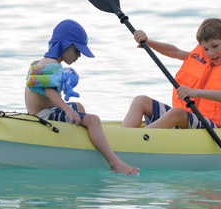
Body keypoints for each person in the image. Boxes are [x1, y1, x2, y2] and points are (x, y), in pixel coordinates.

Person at [25, 19, 139, 175]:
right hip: (44, 115)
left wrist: (68, 103)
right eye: (77, 51)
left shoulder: (41, 62)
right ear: (65, 45)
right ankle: (115, 163)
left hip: (43, 111)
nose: (78, 56)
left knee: (78, 107)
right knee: (93, 120)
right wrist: (66, 109)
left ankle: (84, 141)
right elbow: (48, 89)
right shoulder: (51, 63)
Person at [121, 18, 221, 130]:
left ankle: (136, 140)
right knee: (140, 100)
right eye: (205, 48)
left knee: (176, 113)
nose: (210, 53)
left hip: (212, 126)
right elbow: (175, 52)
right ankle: (123, 136)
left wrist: (195, 92)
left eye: (215, 46)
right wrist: (148, 42)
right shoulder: (203, 59)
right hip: (190, 117)